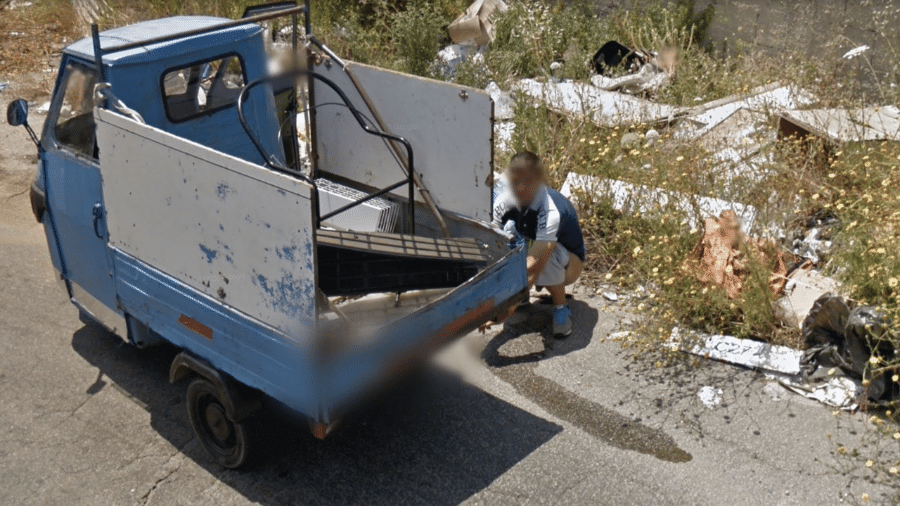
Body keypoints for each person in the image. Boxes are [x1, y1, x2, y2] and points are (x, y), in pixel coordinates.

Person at [493, 151, 585, 338]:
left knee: (544, 259)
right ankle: (522, 297)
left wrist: (506, 308)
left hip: (570, 262)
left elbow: (535, 265)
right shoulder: (505, 201)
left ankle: (561, 308)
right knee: (509, 236)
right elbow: (494, 241)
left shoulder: (551, 211)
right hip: (538, 247)